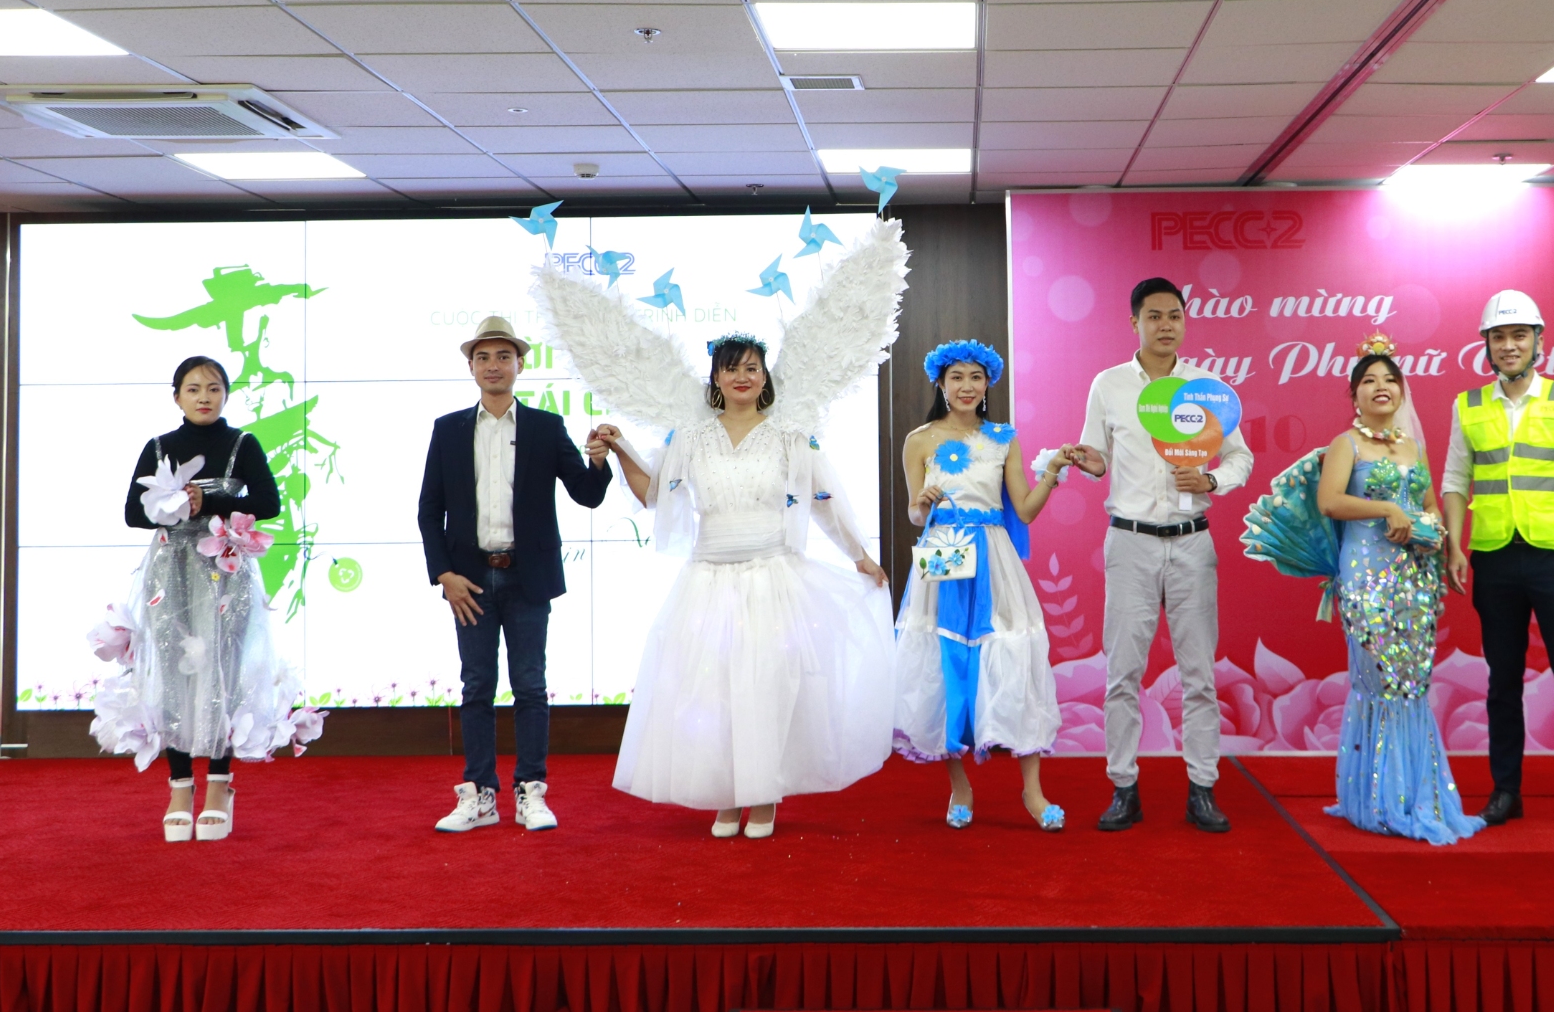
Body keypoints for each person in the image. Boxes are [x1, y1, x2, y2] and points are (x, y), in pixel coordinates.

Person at [538, 218, 908, 839]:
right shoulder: (691, 437)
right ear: (714, 377)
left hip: (773, 578)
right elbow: (654, 495)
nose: (743, 377)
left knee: (768, 688)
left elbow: (824, 502)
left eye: (753, 368)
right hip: (708, 579)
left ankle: (763, 795)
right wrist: (622, 446)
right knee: (712, 692)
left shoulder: (790, 435)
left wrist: (859, 555)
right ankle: (728, 794)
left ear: (766, 377)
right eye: (731, 368)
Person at [1243, 338, 1483, 844]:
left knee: (1412, 684)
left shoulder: (1412, 447)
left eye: (1389, 380)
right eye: (1369, 381)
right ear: (1354, 396)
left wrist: (1434, 531)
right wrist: (1387, 510)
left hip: (1415, 579)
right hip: (1366, 577)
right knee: (1380, 681)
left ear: (1402, 392)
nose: (1381, 387)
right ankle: (1376, 801)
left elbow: (1430, 504)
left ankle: (1415, 796)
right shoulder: (1346, 445)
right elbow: (1330, 502)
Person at [91, 355, 321, 842]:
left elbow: (269, 502)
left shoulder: (242, 444)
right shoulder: (159, 447)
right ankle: (180, 787)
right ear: (176, 396)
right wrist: (176, 506)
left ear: (225, 395)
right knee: (173, 671)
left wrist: (210, 502)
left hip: (226, 570)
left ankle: (219, 784)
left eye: (214, 388)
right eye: (193, 388)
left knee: (223, 668)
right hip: (170, 571)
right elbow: (133, 512)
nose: (204, 397)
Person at [1068, 276, 1254, 832]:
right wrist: (1089, 462)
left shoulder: (1207, 388)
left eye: (1174, 315)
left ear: (1184, 321)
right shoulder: (1108, 385)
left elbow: (1240, 459)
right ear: (1135, 322)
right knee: (1123, 670)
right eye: (1154, 316)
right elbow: (1098, 455)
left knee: (1199, 673)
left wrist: (1212, 479)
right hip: (1130, 542)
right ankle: (1124, 788)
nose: (1165, 325)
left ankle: (1203, 789)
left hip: (1192, 541)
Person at [417, 316, 612, 833]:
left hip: (527, 578)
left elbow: (587, 494)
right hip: (469, 581)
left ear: (520, 364)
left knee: (530, 686)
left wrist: (598, 461)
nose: (493, 366)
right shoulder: (448, 429)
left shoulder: (546, 427)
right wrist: (443, 573)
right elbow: (429, 509)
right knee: (476, 687)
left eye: (503, 356)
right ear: (471, 367)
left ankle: (531, 791)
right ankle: (480, 795)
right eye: (483, 357)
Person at [1441, 290, 1554, 836]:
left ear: (1539, 341)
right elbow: (1455, 480)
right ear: (1486, 346)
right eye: (1499, 337)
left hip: (1553, 556)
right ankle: (1506, 791)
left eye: (1519, 335)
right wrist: (1454, 545)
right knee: (1503, 681)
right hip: (1494, 557)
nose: (1509, 345)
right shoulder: (1468, 405)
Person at [896, 340, 1074, 830]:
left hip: (994, 557)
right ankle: (960, 788)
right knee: (946, 663)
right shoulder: (919, 440)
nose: (967, 386)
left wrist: (1052, 471)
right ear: (941, 383)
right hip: (944, 552)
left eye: (976, 377)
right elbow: (914, 514)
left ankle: (1033, 792)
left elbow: (1025, 510)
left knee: (1013, 659)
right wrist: (923, 504)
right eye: (957, 377)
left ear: (988, 383)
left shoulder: (1002, 438)